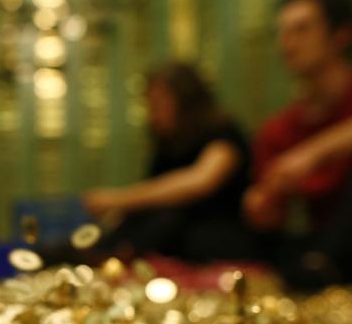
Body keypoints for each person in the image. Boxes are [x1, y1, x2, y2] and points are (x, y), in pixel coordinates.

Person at [244, 0, 352, 287]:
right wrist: (263, 203)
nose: (286, 44)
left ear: (342, 34)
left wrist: (315, 152)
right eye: (282, 32)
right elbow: (271, 219)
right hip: (323, 244)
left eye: (302, 29)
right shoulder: (279, 129)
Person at [81, 62, 253, 261]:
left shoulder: (222, 132)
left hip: (216, 238)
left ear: (185, 101)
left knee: (171, 222)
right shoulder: (169, 143)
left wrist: (119, 199)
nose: (152, 114)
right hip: (176, 237)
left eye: (158, 104)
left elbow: (200, 182)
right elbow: (153, 196)